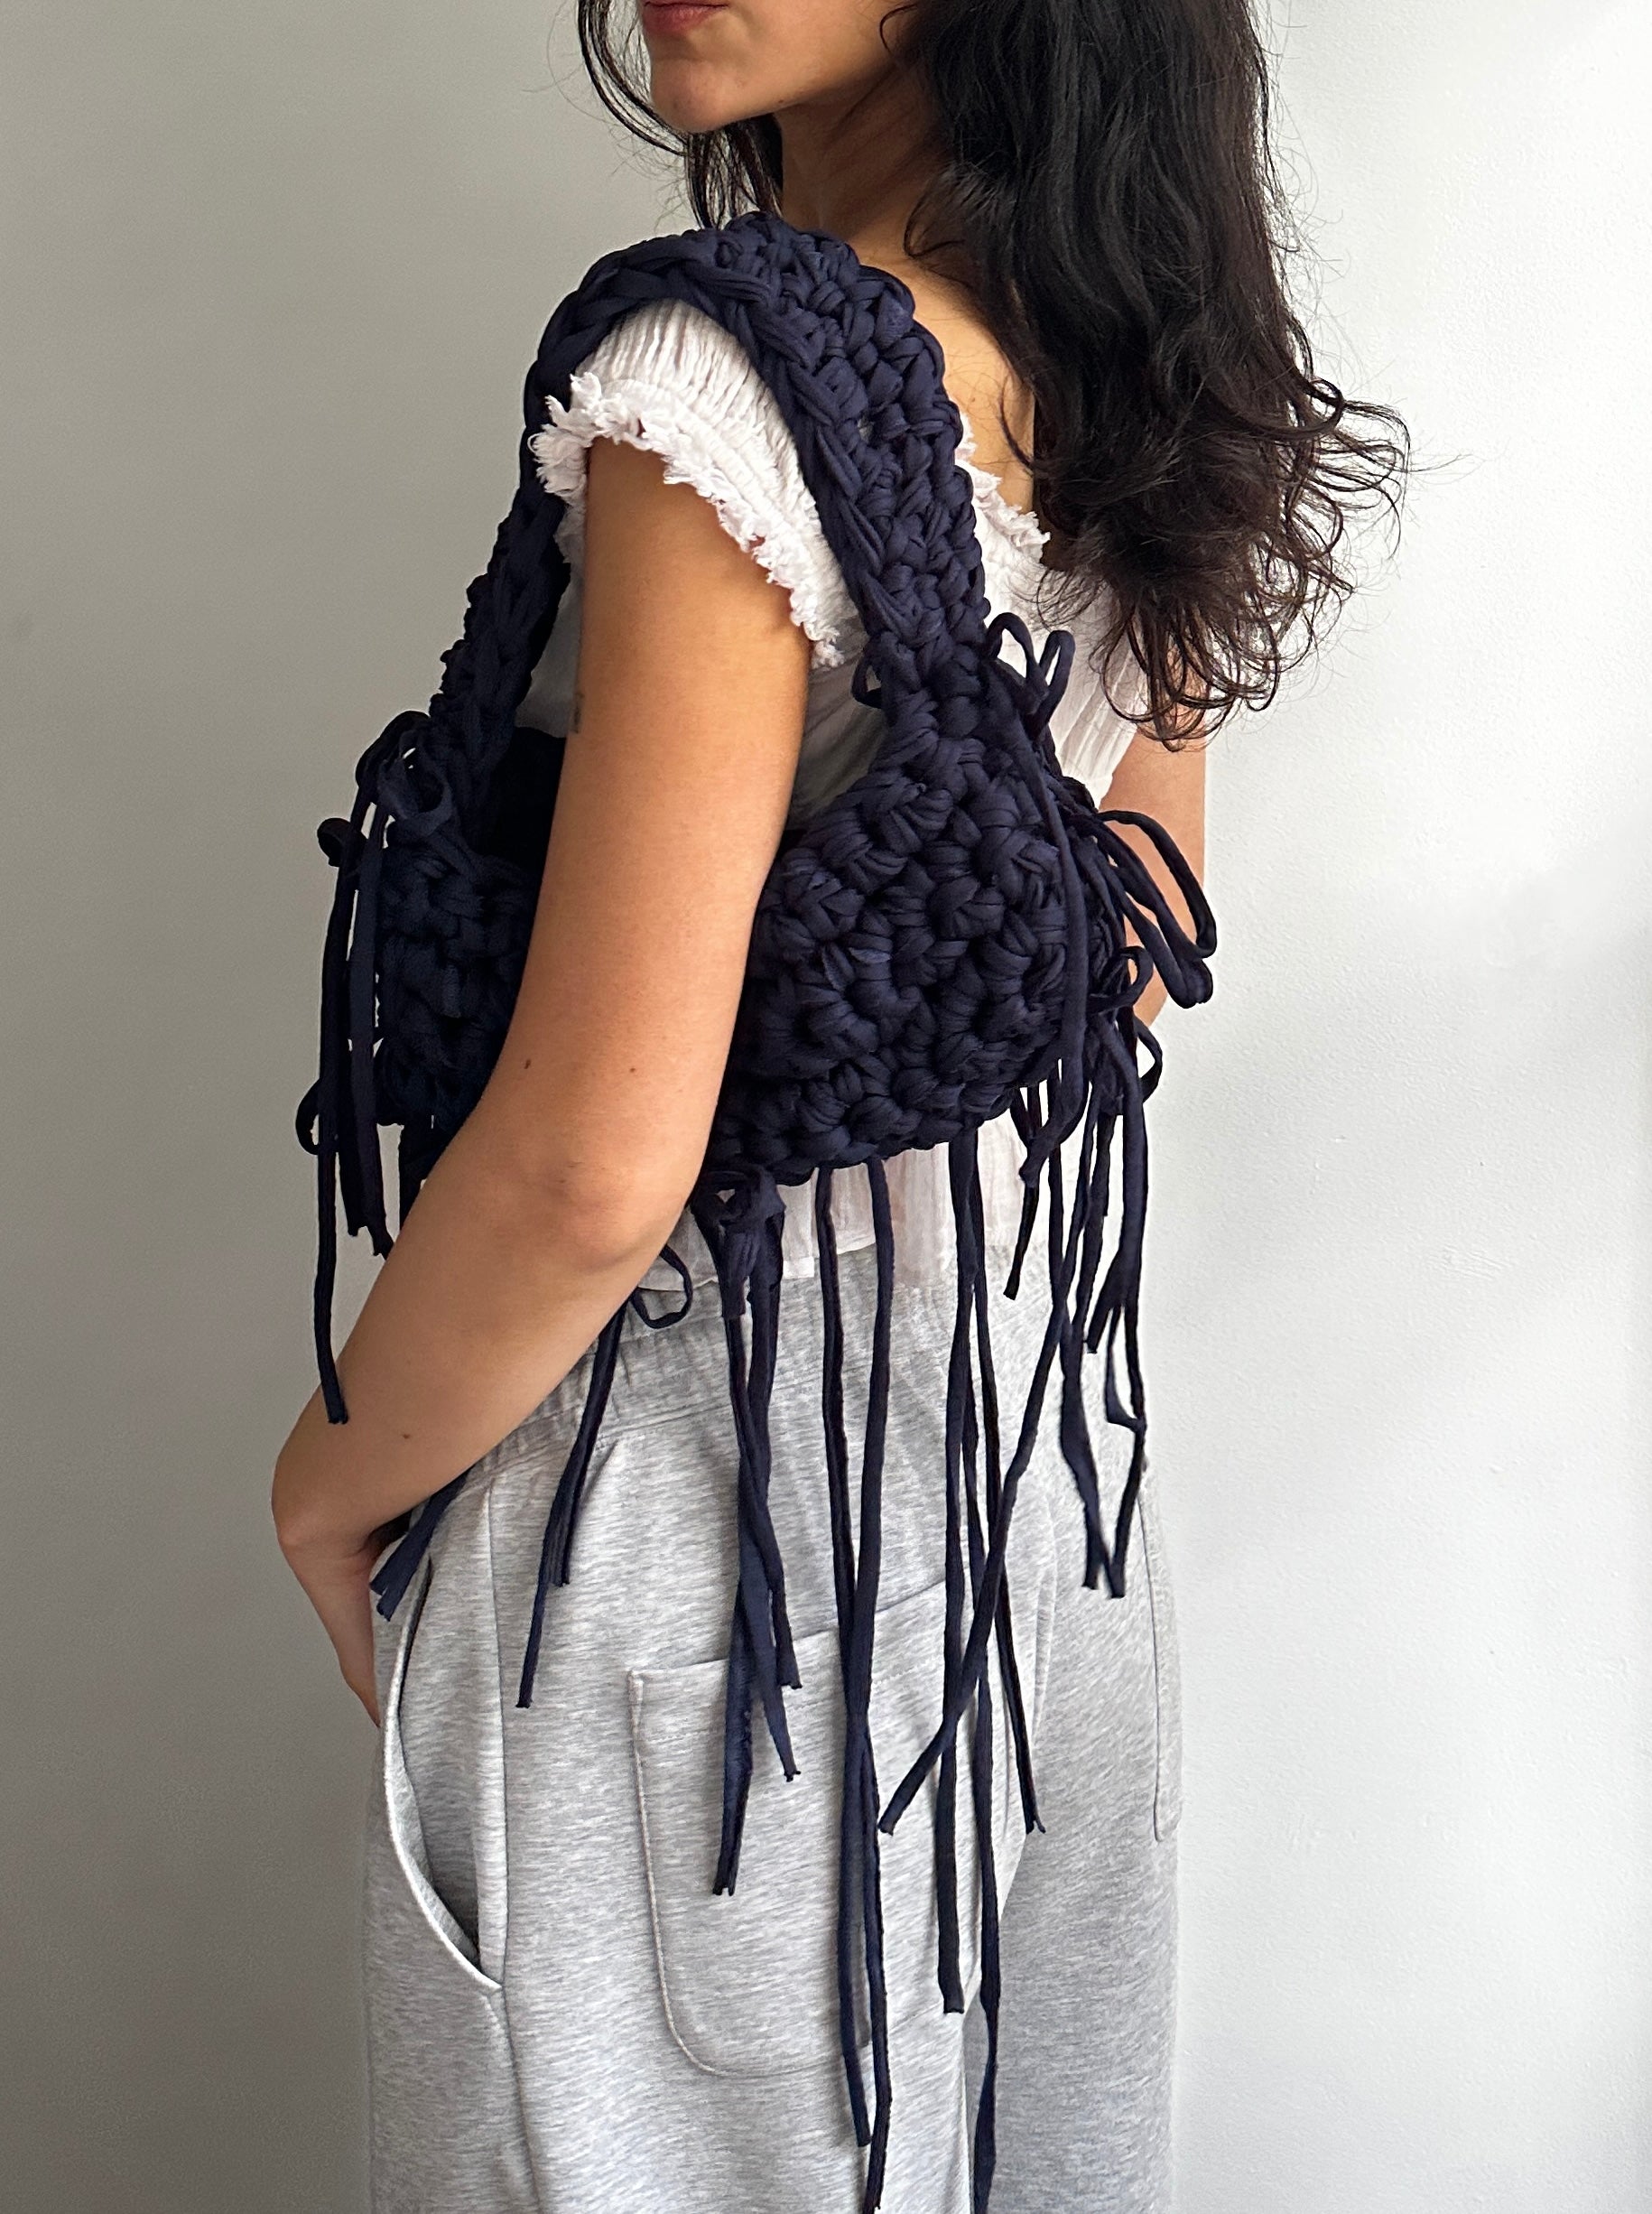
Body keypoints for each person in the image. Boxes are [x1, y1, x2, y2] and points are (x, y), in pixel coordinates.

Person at [272, 3, 1405, 2208]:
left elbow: (598, 1163)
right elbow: (1138, 929)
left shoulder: (721, 387)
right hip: (1019, 1518)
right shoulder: (1130, 357)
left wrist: (323, 1488)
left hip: (691, 1579)